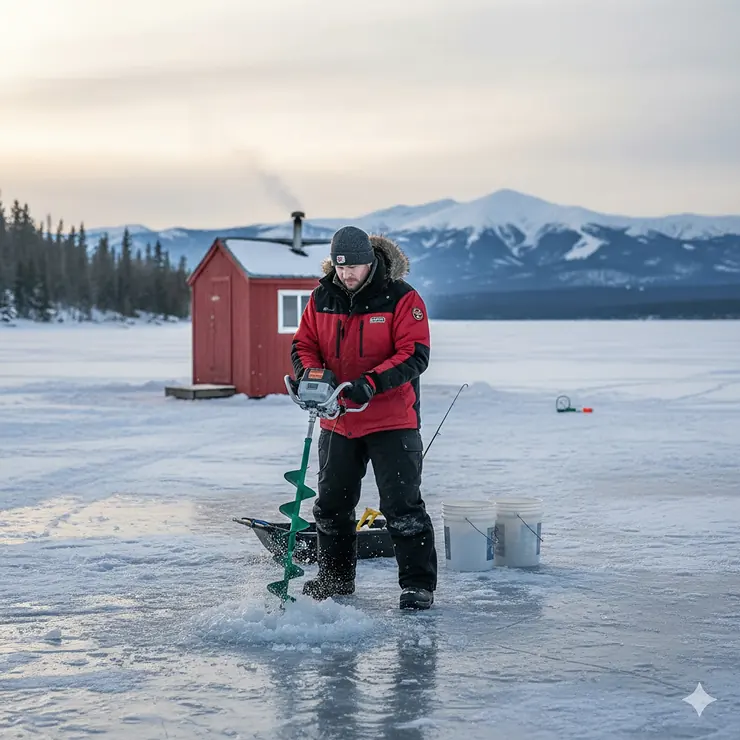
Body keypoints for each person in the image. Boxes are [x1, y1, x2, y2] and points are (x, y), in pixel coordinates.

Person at [290, 225, 438, 610]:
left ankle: (417, 586)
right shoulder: (322, 296)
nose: (346, 275)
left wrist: (371, 383)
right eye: (340, 267)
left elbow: (414, 353)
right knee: (331, 506)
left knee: (402, 507)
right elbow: (304, 344)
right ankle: (335, 581)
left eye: (353, 267)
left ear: (371, 262)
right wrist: (312, 375)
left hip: (392, 421)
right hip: (337, 419)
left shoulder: (402, 298)